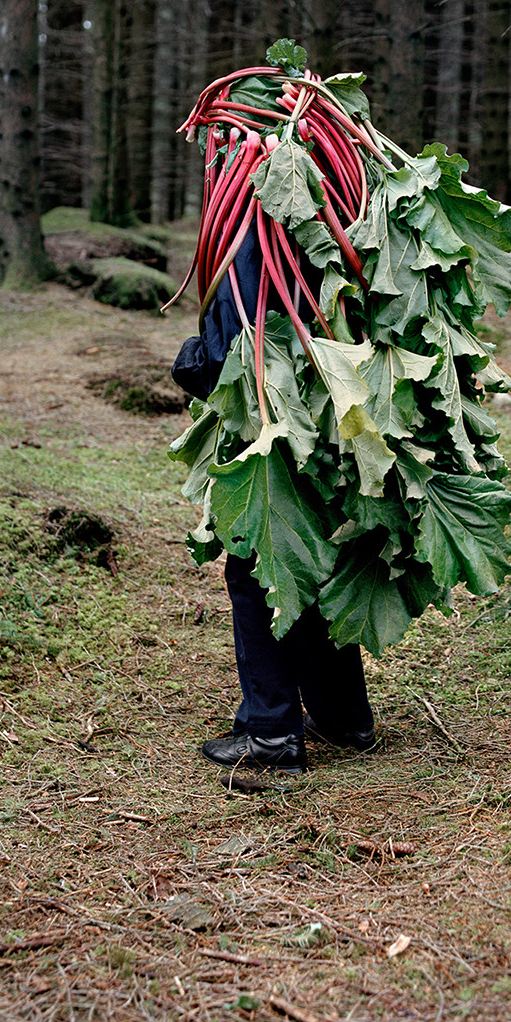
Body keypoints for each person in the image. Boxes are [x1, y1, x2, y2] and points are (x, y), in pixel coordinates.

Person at [171, 228, 375, 774]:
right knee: (316, 554)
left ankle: (270, 733)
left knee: (259, 564)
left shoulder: (251, 226)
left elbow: (233, 353)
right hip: (342, 409)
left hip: (278, 419)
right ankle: (343, 715)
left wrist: (188, 361)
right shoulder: (338, 201)